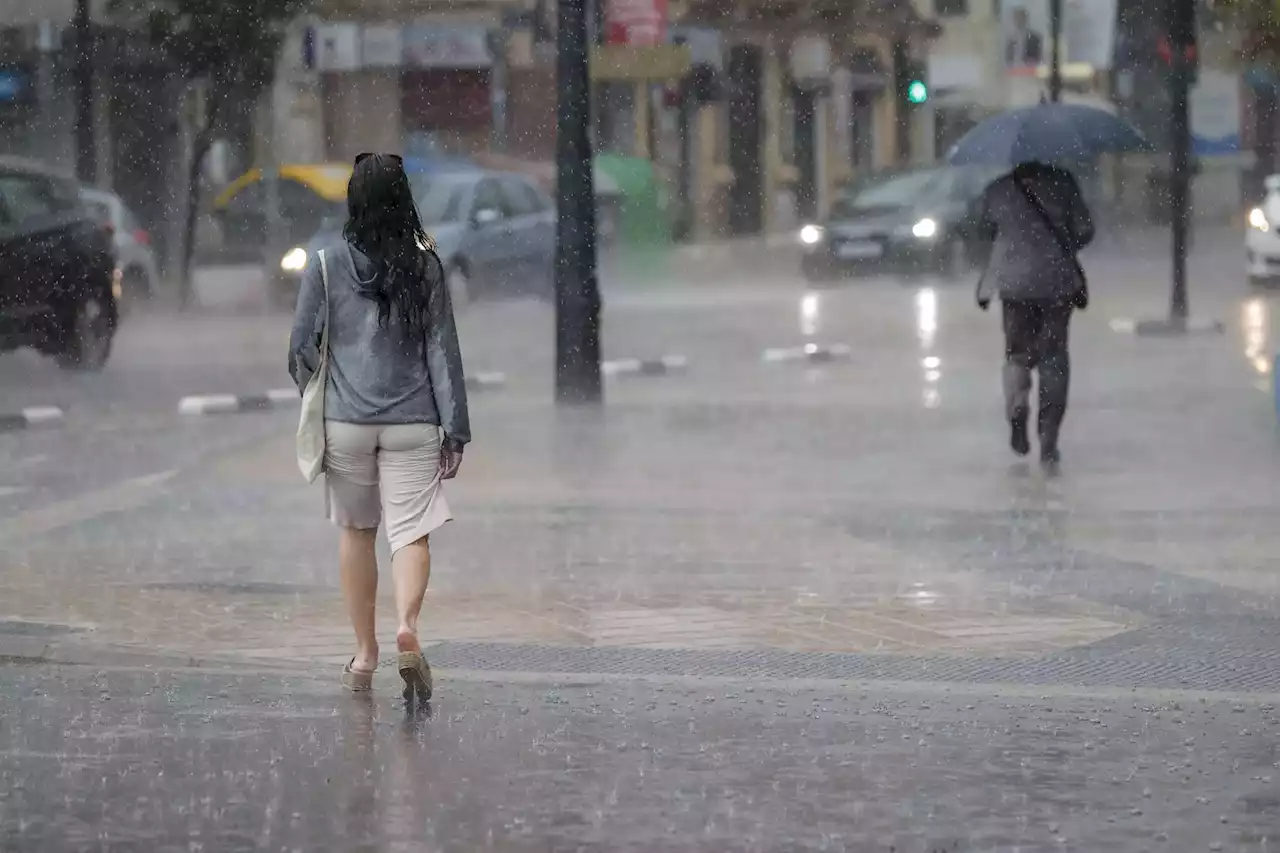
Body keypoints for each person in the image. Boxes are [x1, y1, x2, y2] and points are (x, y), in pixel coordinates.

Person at [288, 152, 469, 700]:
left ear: (353, 199)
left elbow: (300, 348)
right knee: (411, 533)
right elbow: (442, 350)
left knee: (356, 533)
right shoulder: (427, 266)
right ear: (403, 198)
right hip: (414, 420)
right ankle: (407, 628)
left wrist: (323, 389)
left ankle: (365, 656)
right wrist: (454, 425)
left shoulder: (323, 265)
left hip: (346, 422)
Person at [976, 161, 1093, 471]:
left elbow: (982, 231)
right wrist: (1061, 239)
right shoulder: (1063, 183)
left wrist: (1013, 239)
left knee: (1017, 353)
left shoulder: (998, 189)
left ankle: (1017, 406)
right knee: (1053, 357)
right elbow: (1085, 230)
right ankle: (1049, 437)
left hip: (1013, 284)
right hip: (1056, 282)